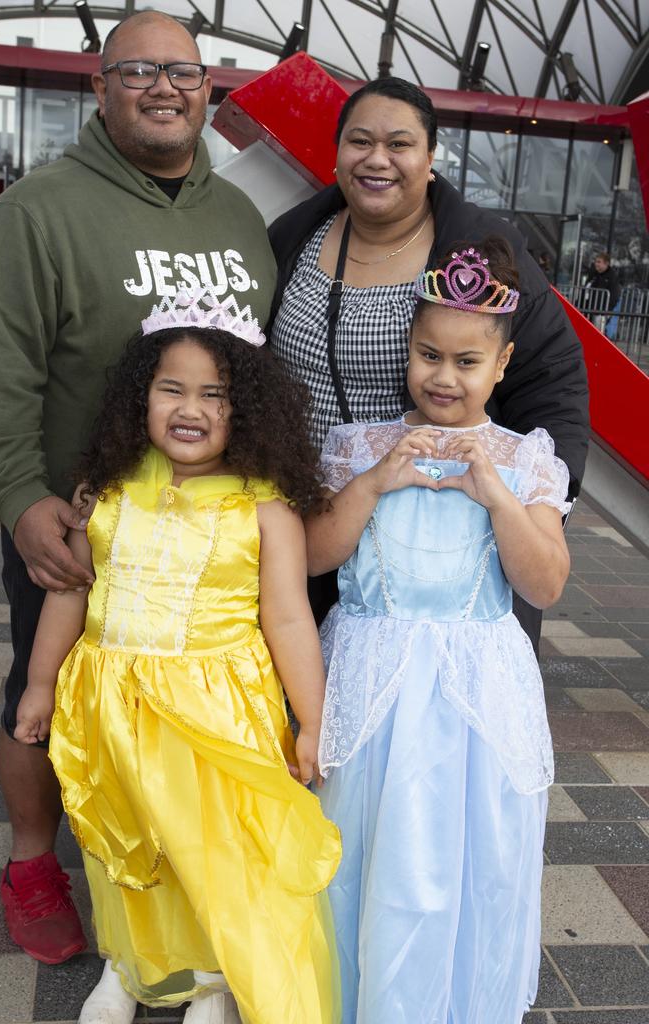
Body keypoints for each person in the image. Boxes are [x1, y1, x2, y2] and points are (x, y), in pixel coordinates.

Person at [0, 3, 276, 995]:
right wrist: (19, 497)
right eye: (138, 72)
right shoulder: (39, 212)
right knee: (46, 696)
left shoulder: (237, 219)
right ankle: (34, 860)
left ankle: (166, 872)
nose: (165, 89)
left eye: (183, 72)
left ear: (208, 90)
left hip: (207, 538)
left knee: (185, 707)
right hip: (81, 527)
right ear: (99, 88)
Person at [13, 289, 341, 1024]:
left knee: (209, 850)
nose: (191, 409)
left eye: (215, 396)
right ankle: (128, 965)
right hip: (112, 706)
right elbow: (68, 595)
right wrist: (40, 685)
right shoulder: (106, 493)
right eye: (172, 389)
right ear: (141, 397)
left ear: (246, 409)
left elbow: (288, 619)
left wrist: (312, 722)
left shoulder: (264, 506)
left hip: (215, 715)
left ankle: (212, 977)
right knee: (122, 841)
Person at [306, 237, 570, 1023]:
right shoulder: (360, 445)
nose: (443, 377)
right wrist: (377, 478)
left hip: (472, 704)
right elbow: (315, 553)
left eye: (466, 362)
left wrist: (497, 494)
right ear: (407, 350)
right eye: (429, 355)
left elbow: (544, 582)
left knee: (464, 860)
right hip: (369, 684)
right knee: (361, 851)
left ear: (502, 363)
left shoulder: (526, 462)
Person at [268, 77, 588, 643]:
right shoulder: (293, 235)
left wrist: (532, 510)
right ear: (338, 150)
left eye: (400, 144)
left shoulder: (483, 248)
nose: (377, 159)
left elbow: (552, 382)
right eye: (360, 141)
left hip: (439, 544)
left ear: (430, 156)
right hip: (314, 517)